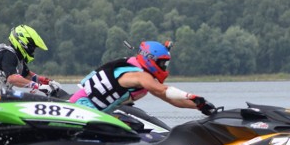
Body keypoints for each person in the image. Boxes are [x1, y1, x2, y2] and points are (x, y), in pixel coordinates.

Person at [69, 40, 217, 116]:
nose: (164, 67)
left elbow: (172, 100)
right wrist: (191, 96)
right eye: (162, 63)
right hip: (81, 108)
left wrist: (200, 106)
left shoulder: (142, 76)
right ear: (151, 59)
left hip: (93, 112)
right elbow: (164, 90)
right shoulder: (139, 75)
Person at [0, 25, 60, 96]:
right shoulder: (8, 54)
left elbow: (28, 76)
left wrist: (49, 82)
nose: (33, 51)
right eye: (32, 47)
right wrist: (38, 86)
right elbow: (12, 78)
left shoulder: (17, 59)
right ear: (22, 43)